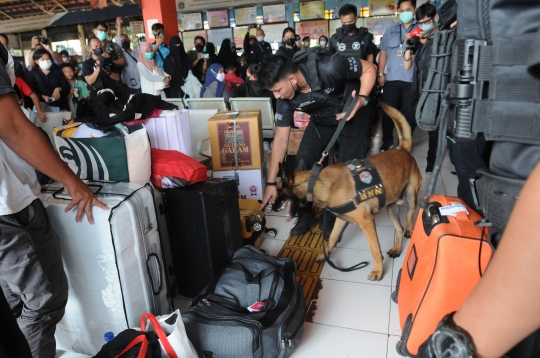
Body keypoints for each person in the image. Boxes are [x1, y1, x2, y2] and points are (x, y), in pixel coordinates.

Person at [0, 45, 107, 358]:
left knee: (12, 303)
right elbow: (12, 127)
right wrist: (72, 182)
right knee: (43, 304)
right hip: (9, 204)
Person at [257, 53, 376, 235]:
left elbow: (369, 68)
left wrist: (361, 99)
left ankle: (330, 223)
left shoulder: (330, 66)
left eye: (277, 90)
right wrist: (271, 183)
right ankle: (306, 215)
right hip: (323, 119)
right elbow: (281, 139)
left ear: (292, 79)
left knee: (345, 174)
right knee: (299, 169)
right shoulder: (284, 99)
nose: (276, 96)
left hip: (354, 115)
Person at [377, 0, 418, 151]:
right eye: (402, 10)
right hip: (392, 79)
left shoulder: (420, 30)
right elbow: (383, 53)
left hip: (411, 80)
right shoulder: (391, 30)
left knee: (409, 115)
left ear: (415, 9)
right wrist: (381, 73)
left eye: (408, 10)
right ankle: (387, 141)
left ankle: (405, 143)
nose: (404, 13)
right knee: (388, 112)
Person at [403, 3, 438, 172]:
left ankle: (432, 162)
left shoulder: (442, 40)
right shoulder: (424, 42)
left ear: (435, 18)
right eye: (421, 22)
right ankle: (400, 155)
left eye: (427, 21)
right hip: (419, 93)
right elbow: (407, 66)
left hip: (434, 95)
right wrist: (409, 46)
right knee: (408, 123)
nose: (425, 25)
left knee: (433, 131)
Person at [28, 49, 70, 121]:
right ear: (36, 62)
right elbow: (32, 89)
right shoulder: (34, 73)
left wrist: (58, 89)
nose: (46, 61)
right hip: (42, 106)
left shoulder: (57, 71)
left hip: (59, 105)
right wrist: (42, 96)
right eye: (42, 59)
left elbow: (66, 86)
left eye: (47, 59)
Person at [91, 22, 126, 86]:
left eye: (105, 31)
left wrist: (111, 61)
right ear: (94, 31)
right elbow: (87, 63)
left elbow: (123, 61)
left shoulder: (113, 45)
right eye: (101, 30)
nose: (103, 32)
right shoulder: (89, 48)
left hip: (113, 81)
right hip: (97, 82)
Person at [115, 17, 141, 95]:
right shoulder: (122, 54)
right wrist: (119, 26)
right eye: (122, 40)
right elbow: (118, 40)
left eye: (125, 40)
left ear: (129, 40)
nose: (124, 41)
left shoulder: (137, 53)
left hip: (142, 84)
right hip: (130, 86)